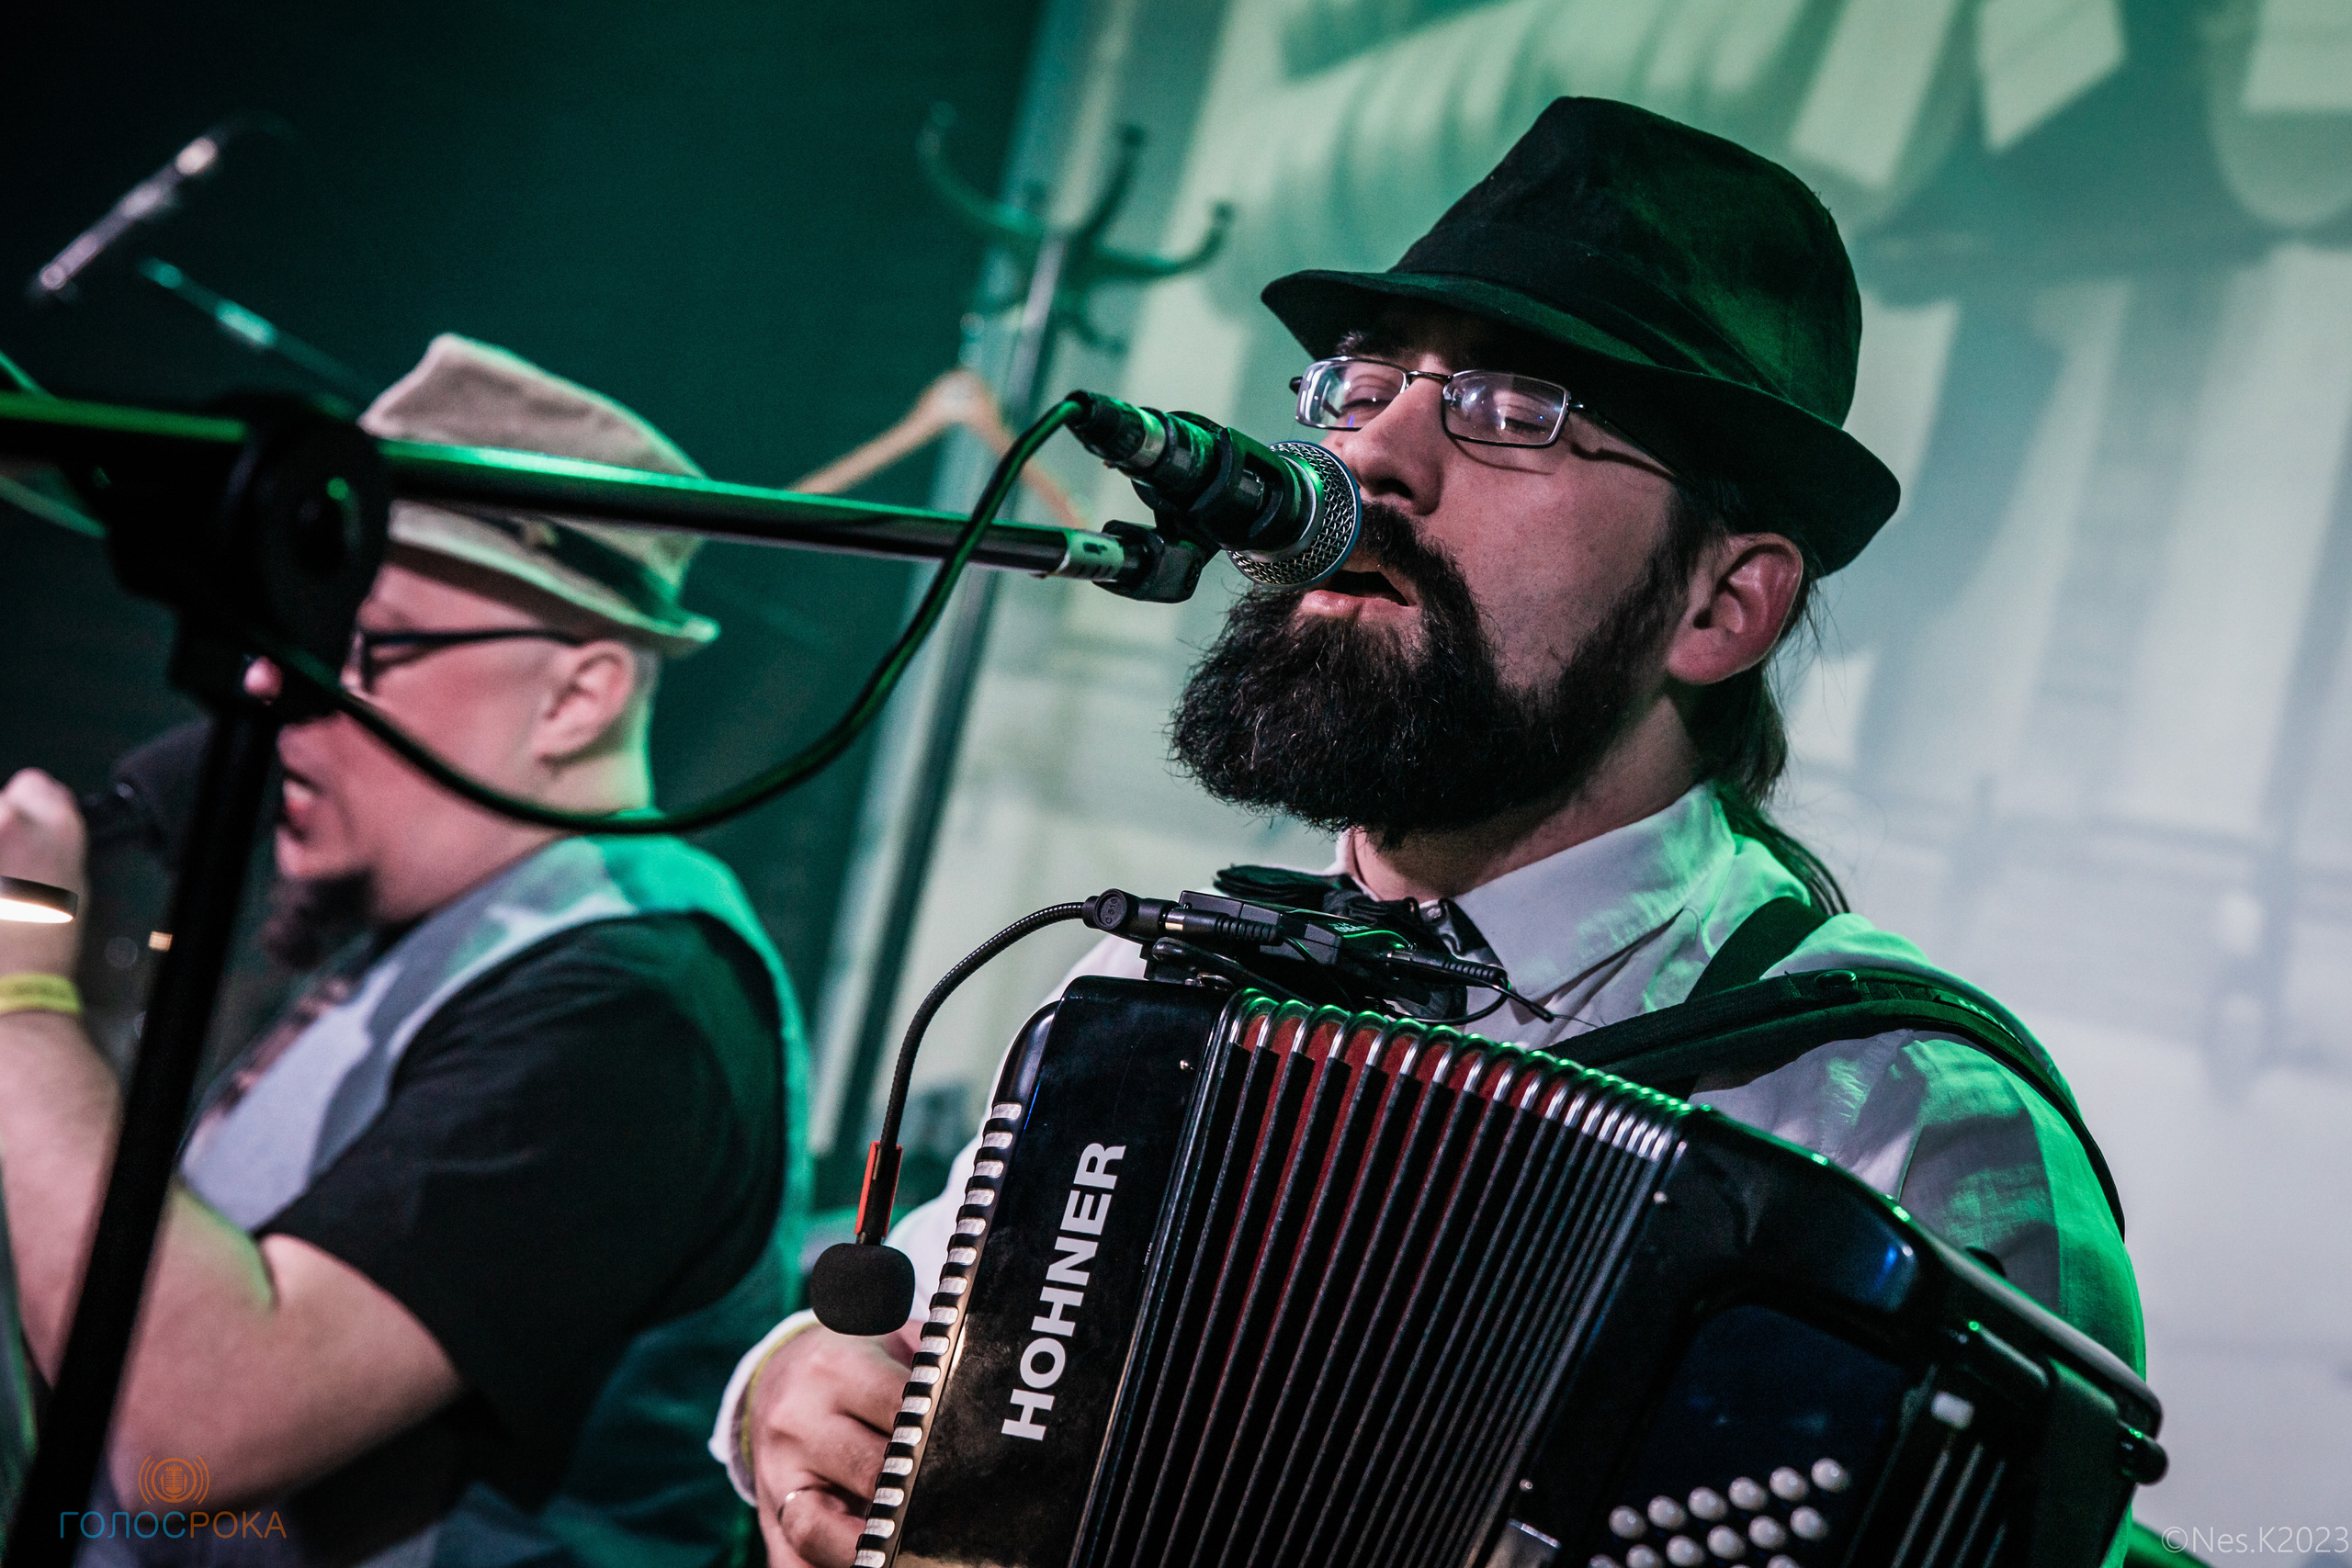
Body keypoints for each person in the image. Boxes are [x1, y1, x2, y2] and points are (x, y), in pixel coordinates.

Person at [720, 98, 2145, 1567]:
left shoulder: (1906, 1121)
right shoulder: (1164, 1007)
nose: (1368, 464)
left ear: (1722, 607)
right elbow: (901, 1340)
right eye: (1356, 388)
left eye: (1516, 407)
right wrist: (787, 1389)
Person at [0, 334, 806, 1568]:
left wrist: (18, 976)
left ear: (575, 697)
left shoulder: (631, 1009)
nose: (277, 682)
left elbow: (194, 1426)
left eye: (359, 644)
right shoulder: (443, 942)